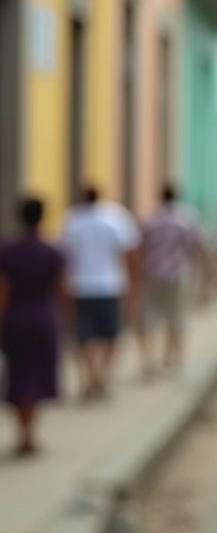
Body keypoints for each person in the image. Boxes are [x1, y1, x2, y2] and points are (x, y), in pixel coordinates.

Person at [59, 186, 140, 399]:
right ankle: (101, 375)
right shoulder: (115, 217)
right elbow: (129, 252)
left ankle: (92, 376)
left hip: (80, 286)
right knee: (111, 335)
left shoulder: (71, 219)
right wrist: (132, 285)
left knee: (83, 337)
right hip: (109, 285)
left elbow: (64, 257)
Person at [0, 197, 65, 456]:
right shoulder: (52, 251)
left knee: (18, 376)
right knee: (37, 377)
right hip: (43, 318)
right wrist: (62, 320)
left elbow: (2, 293)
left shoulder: (7, 251)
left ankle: (23, 431)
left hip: (15, 319)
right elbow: (61, 291)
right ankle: (30, 433)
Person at [138, 183, 204, 376]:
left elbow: (141, 246)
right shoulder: (186, 218)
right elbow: (196, 246)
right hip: (178, 274)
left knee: (149, 318)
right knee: (176, 318)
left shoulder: (151, 218)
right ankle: (172, 359)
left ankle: (149, 359)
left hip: (152, 274)